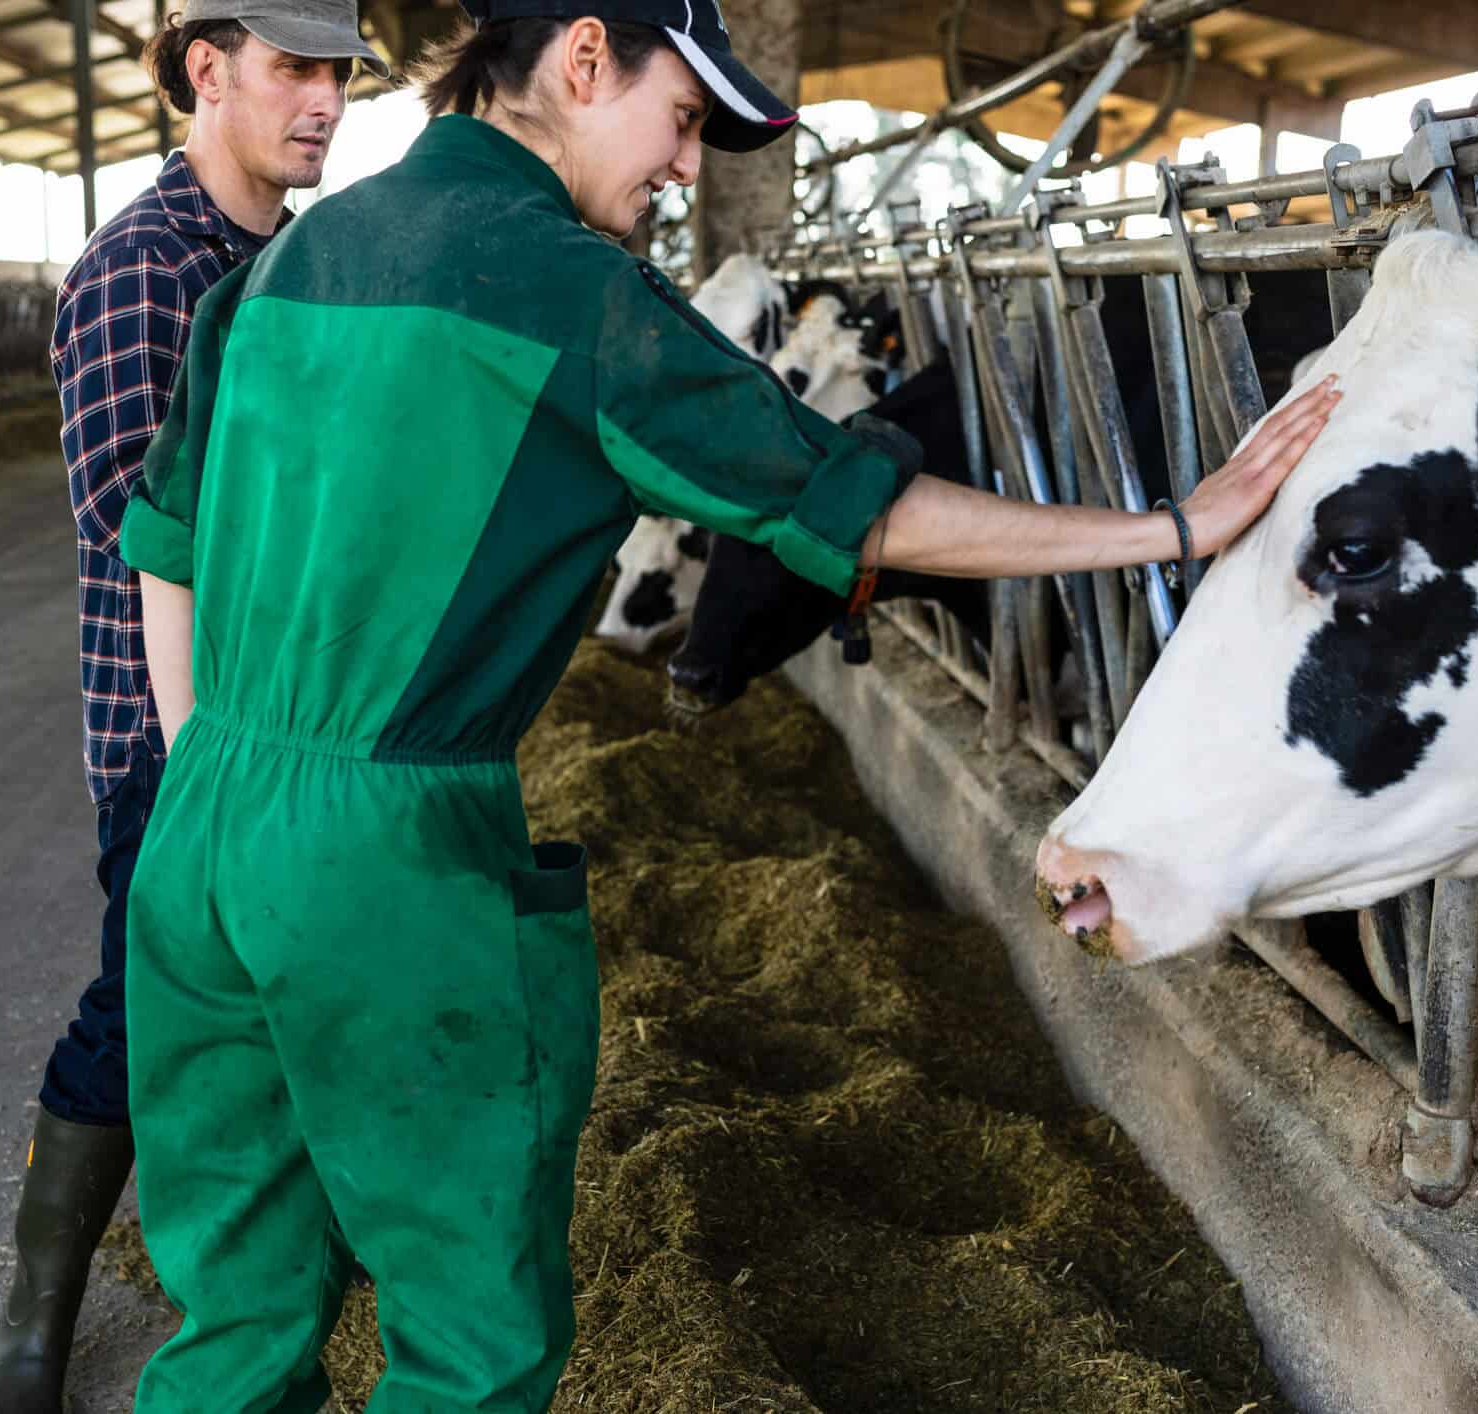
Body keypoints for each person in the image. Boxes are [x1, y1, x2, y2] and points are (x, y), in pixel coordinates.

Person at [114, 2, 1342, 1409]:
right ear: (582, 62)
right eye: (681, 119)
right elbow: (854, 506)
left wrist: (207, 773)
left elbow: (165, 546)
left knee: (239, 1307)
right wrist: (1173, 530)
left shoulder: (280, 271)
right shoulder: (568, 288)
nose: (686, 169)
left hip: (201, 822)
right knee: (466, 1336)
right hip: (384, 853)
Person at [0, 2, 385, 1408]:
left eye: (338, 72)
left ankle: (283, 1279)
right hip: (177, 735)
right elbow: (134, 522)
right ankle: (39, 1316)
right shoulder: (146, 274)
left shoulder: (290, 263)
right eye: (294, 68)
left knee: (292, 997)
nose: (324, 99)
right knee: (140, 1011)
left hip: (301, 724)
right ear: (206, 72)